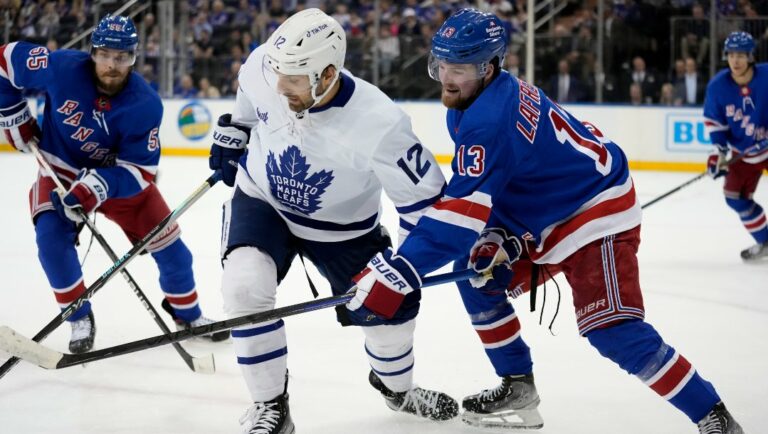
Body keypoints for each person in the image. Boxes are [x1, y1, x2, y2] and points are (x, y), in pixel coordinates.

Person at [347, 9, 744, 434]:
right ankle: (518, 386)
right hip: (551, 208)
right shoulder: (472, 101)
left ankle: (712, 414)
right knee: (474, 275)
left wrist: (400, 270)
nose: (446, 77)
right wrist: (500, 234)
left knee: (611, 330)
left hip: (594, 210)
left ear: (489, 66)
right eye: (440, 64)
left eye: (459, 67)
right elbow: (499, 185)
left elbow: (460, 214)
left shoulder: (486, 118)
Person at [207, 9, 457, 434]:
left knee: (391, 320)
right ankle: (271, 406)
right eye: (278, 75)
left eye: (294, 81)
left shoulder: (379, 123)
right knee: (245, 288)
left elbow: (425, 205)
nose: (280, 87)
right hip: (263, 201)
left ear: (326, 74)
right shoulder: (264, 67)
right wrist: (239, 130)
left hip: (344, 232)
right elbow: (250, 100)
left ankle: (398, 388)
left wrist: (403, 268)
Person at [0, 15, 230, 354]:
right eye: (105, 54)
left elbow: (140, 172)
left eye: (121, 57)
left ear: (134, 57)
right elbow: (4, 60)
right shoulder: (60, 67)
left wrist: (97, 186)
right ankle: (79, 315)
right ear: (93, 52)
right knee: (50, 239)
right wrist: (13, 114)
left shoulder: (145, 104)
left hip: (119, 183)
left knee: (175, 253)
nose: (112, 64)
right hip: (61, 169)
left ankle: (187, 316)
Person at [703, 30, 768, 261]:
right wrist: (717, 155)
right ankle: (765, 240)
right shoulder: (718, 86)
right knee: (734, 197)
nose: (735, 60)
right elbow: (716, 126)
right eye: (731, 55)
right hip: (743, 153)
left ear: (750, 56)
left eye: (741, 55)